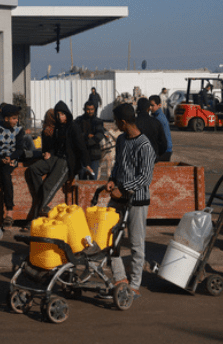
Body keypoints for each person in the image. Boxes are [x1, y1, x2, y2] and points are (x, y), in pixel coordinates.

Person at [105, 103, 156, 295]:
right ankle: (120, 278)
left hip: (137, 201)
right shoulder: (121, 141)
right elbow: (118, 165)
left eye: (116, 121)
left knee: (136, 243)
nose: (115, 124)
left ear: (124, 122)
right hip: (118, 197)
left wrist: (124, 189)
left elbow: (145, 178)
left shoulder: (145, 146)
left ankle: (134, 285)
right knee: (110, 237)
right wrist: (111, 180)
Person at [25, 101, 78, 219]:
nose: (58, 118)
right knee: (40, 179)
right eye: (55, 116)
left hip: (61, 160)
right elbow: (48, 147)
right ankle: (41, 198)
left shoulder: (62, 129)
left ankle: (37, 211)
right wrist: (46, 152)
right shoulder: (49, 131)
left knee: (47, 186)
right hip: (54, 159)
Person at [0, 103, 25, 226]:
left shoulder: (19, 130)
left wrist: (10, 158)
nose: (16, 121)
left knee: (5, 175)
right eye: (14, 118)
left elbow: (20, 149)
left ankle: (9, 211)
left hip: (11, 159)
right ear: (6, 119)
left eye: (16, 118)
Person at [73, 97, 106, 179]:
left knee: (93, 178)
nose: (90, 111)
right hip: (81, 155)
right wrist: (87, 135)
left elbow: (100, 135)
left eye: (91, 109)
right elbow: (76, 134)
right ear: (84, 109)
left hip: (94, 154)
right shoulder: (78, 120)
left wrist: (87, 142)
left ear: (94, 109)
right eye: (88, 109)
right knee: (82, 179)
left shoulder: (98, 121)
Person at [148, 94, 173, 162]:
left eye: (152, 105)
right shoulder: (157, 116)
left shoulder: (159, 119)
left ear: (159, 105)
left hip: (164, 150)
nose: (150, 107)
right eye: (149, 105)